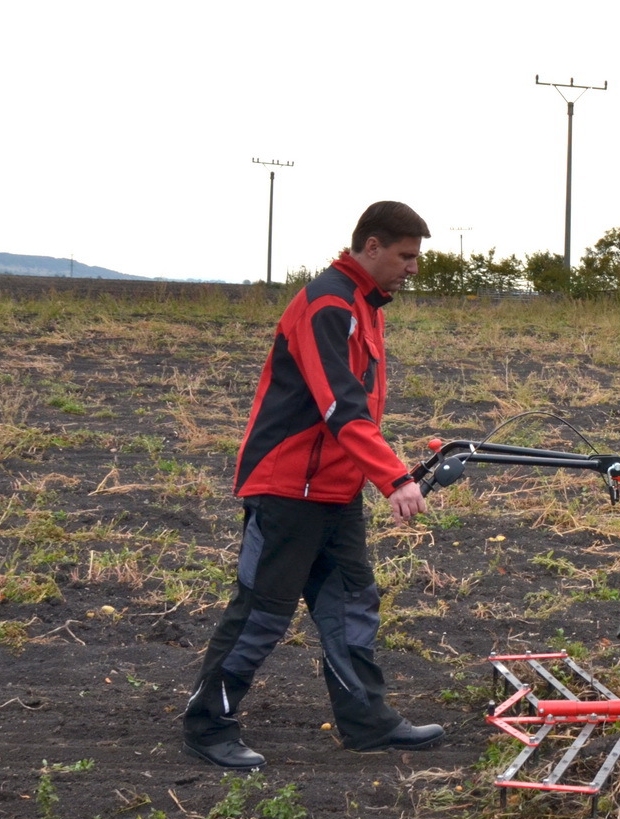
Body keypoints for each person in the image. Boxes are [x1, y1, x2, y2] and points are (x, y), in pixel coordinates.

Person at [182, 201, 444, 769]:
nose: (412, 268)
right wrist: (395, 477)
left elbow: (356, 412)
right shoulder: (329, 303)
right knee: (262, 612)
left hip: (333, 487)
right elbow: (340, 407)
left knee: (352, 606)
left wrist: (370, 473)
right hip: (287, 487)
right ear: (371, 247)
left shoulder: (365, 304)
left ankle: (366, 722)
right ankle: (207, 724)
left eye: (415, 257)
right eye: (405, 256)